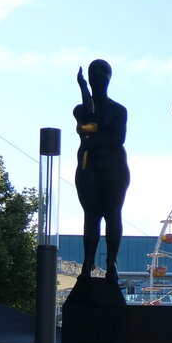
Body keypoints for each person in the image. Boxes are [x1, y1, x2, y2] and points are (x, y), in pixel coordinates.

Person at [74, 60, 129, 280]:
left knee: (113, 214)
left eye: (102, 73)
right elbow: (85, 126)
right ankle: (88, 263)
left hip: (113, 167)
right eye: (93, 74)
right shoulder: (80, 109)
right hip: (89, 166)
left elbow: (117, 138)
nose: (98, 77)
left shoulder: (119, 110)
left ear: (109, 78)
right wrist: (83, 89)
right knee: (91, 216)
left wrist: (93, 136)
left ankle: (111, 262)